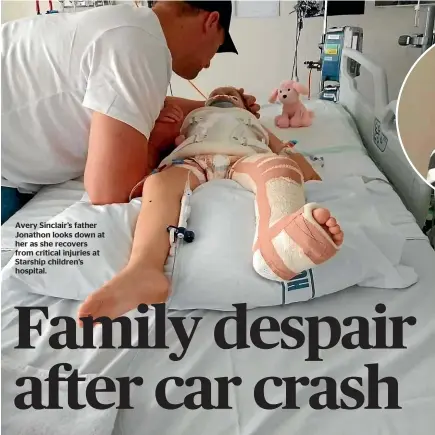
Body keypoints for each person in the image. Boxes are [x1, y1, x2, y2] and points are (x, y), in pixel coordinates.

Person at [77, 86, 344, 323]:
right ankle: (143, 268)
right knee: (158, 184)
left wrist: (302, 169)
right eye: (216, 95)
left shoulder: (252, 121)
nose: (223, 98)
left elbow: (281, 148)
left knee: (279, 168)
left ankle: (280, 247)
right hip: (193, 159)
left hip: (246, 157)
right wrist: (164, 127)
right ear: (205, 102)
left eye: (232, 96)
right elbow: (159, 148)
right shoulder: (192, 118)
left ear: (245, 105)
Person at [1, 1, 259, 224]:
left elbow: (135, 102)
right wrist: (157, 142)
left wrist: (221, 104)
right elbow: (109, 191)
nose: (209, 62)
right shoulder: (139, 44)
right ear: (211, 21)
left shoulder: (129, 27)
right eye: (217, 47)